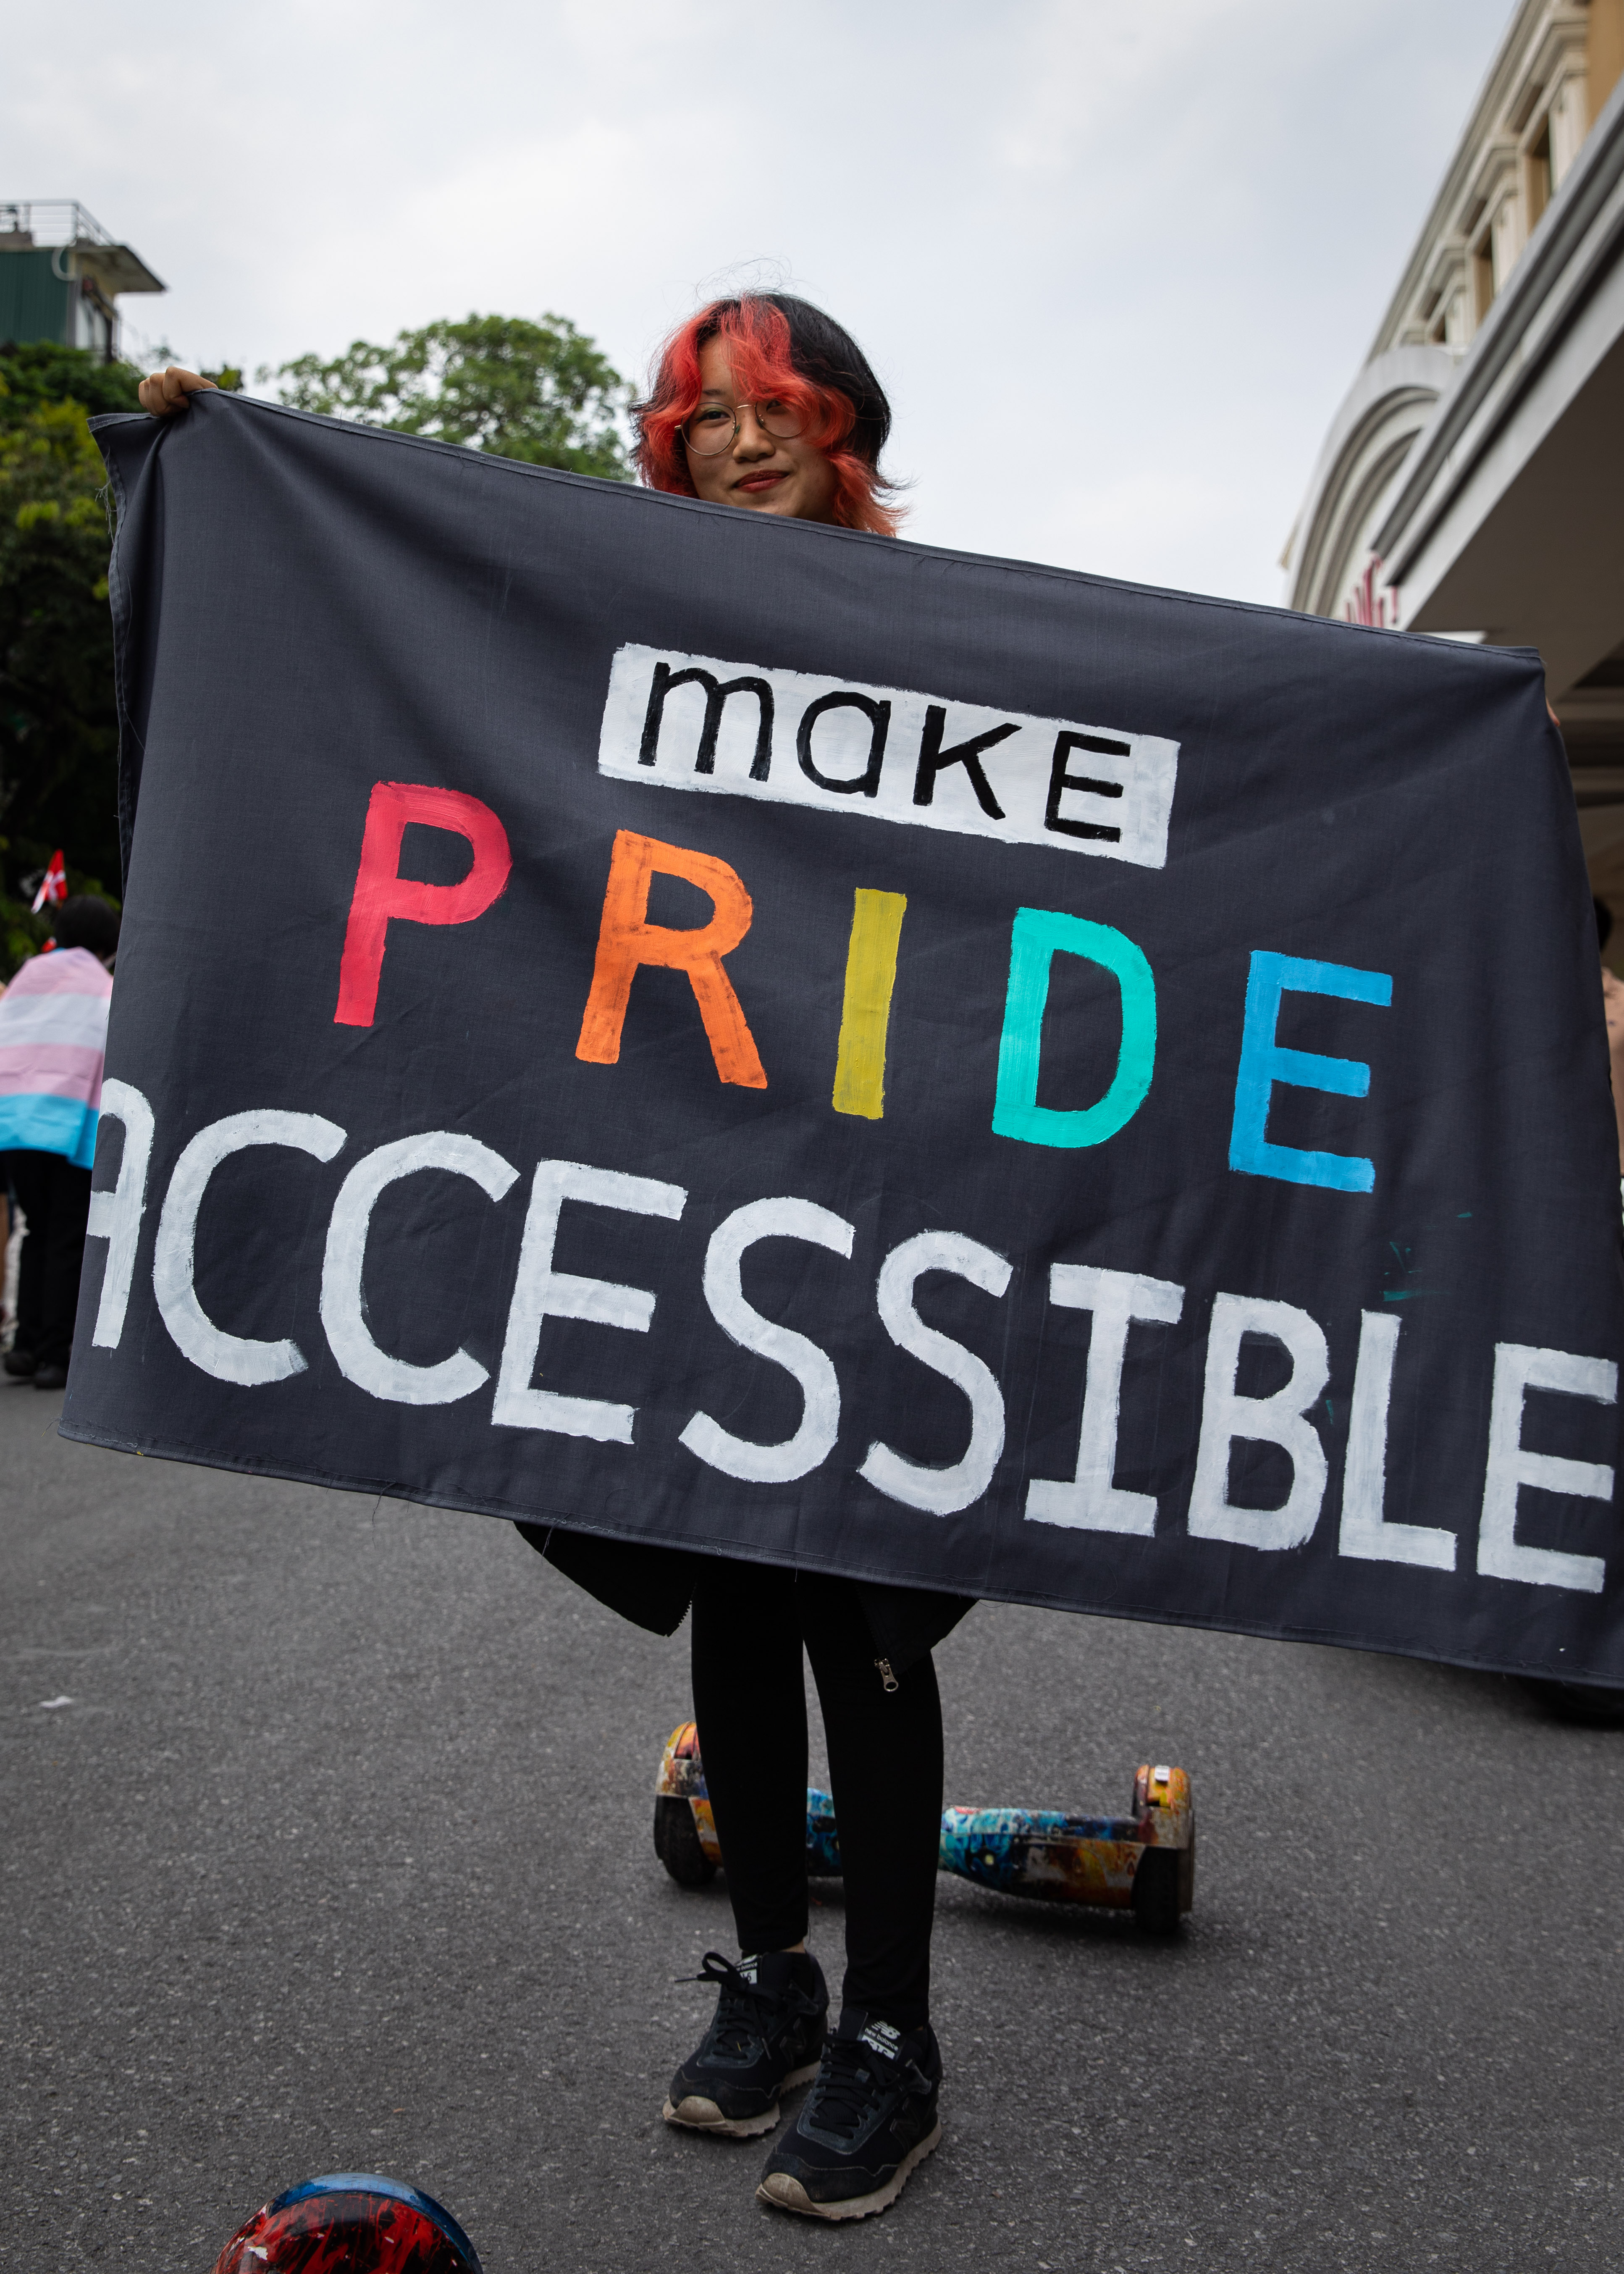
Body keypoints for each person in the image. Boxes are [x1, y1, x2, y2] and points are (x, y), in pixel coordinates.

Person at [139, 297, 957, 2223]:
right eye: (703, 414)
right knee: (729, 1574)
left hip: (868, 1180)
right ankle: (774, 1968)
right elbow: (414, 620)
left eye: (781, 411)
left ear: (844, 433)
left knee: (860, 1587)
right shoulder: (605, 605)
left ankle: (898, 2034)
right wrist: (234, 453)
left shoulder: (950, 640)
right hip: (673, 1164)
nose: (738, 443)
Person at [0, 895, 120, 1390]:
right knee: (67, 1236)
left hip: (14, 1124)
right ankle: (55, 1352)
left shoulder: (29, 976)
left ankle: (24, 1345)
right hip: (70, 1125)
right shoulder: (104, 987)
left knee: (36, 1231)